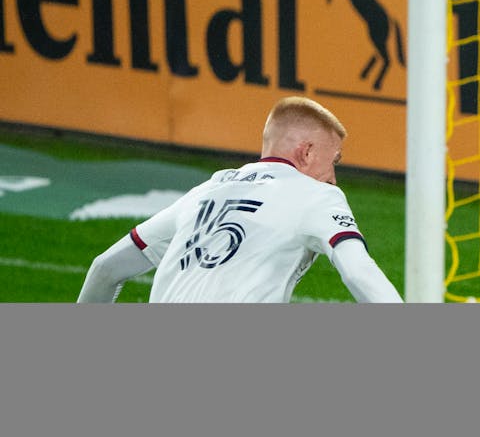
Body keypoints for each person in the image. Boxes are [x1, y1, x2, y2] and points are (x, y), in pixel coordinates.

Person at [77, 96, 402, 303]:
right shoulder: (317, 195)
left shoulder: (205, 192)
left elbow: (105, 268)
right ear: (307, 152)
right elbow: (359, 273)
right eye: (334, 161)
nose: (333, 176)